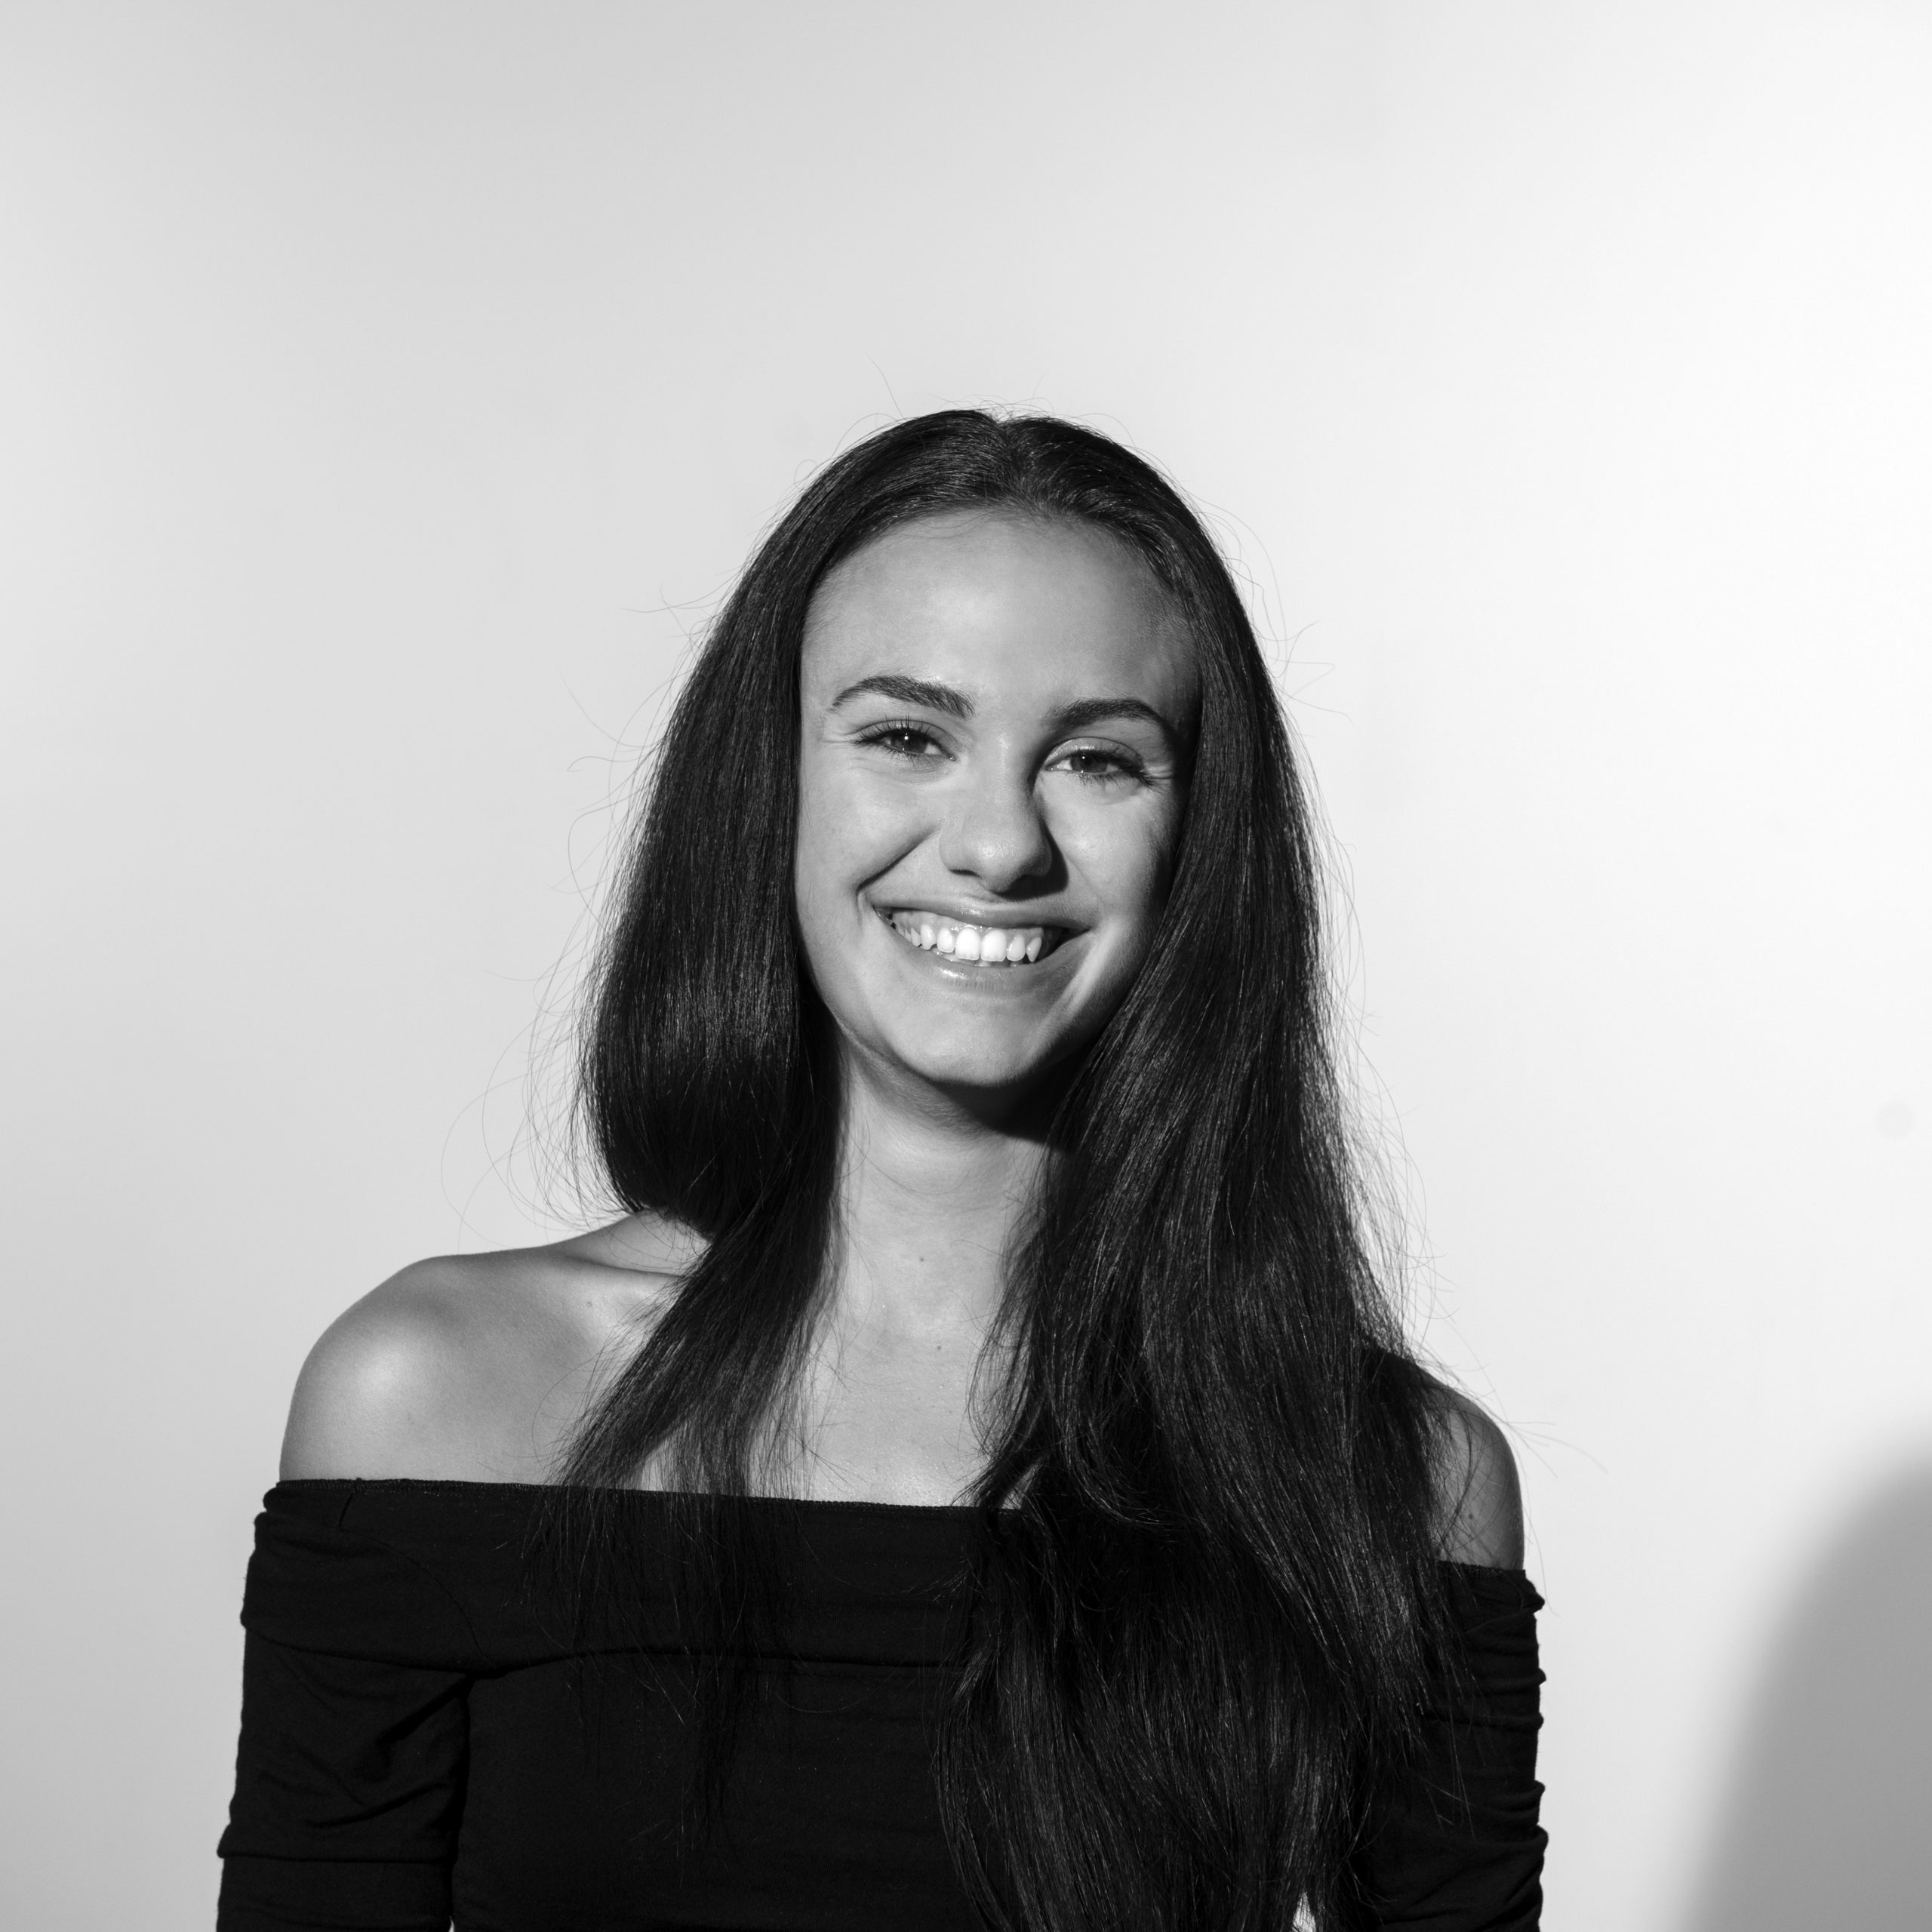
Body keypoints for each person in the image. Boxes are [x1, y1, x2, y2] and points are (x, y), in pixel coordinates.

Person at [217, 411, 1543, 1930]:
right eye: (908, 735)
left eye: (1098, 759)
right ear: (768, 785)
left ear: (1200, 844)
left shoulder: (1387, 1478)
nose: (998, 843)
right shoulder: (437, 1394)